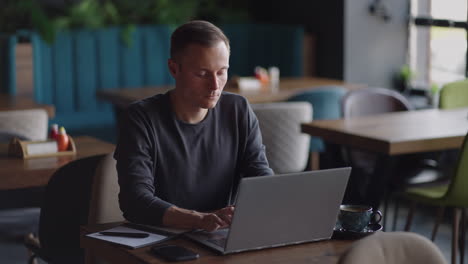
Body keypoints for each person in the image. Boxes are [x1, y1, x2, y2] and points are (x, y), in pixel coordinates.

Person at [114, 20, 273, 232]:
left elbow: (260, 174)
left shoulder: (238, 110)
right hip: (162, 238)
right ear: (174, 68)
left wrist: (274, 198)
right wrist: (199, 220)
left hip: (222, 235)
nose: (215, 85)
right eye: (202, 74)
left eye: (221, 72)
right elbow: (135, 201)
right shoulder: (140, 118)